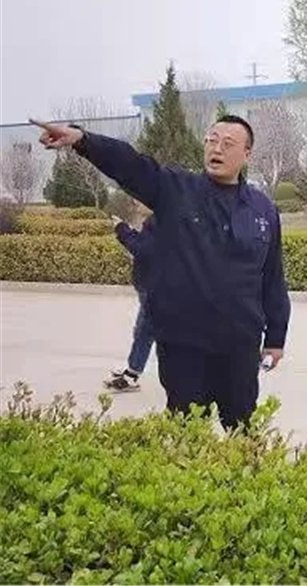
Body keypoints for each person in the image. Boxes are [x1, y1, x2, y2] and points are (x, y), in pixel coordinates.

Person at [34, 114, 291, 431]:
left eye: (228, 144)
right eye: (211, 141)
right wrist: (82, 140)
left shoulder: (263, 210)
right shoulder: (176, 189)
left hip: (239, 345)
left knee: (242, 429)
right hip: (184, 344)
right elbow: (132, 165)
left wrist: (275, 338)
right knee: (186, 433)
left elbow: (272, 277)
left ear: (246, 154)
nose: (217, 149)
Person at [103, 212, 157, 392]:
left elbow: (143, 249)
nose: (136, 202)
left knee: (145, 331)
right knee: (143, 331)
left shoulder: (162, 217)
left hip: (155, 287)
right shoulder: (158, 216)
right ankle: (133, 369)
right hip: (150, 284)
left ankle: (132, 374)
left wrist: (122, 230)